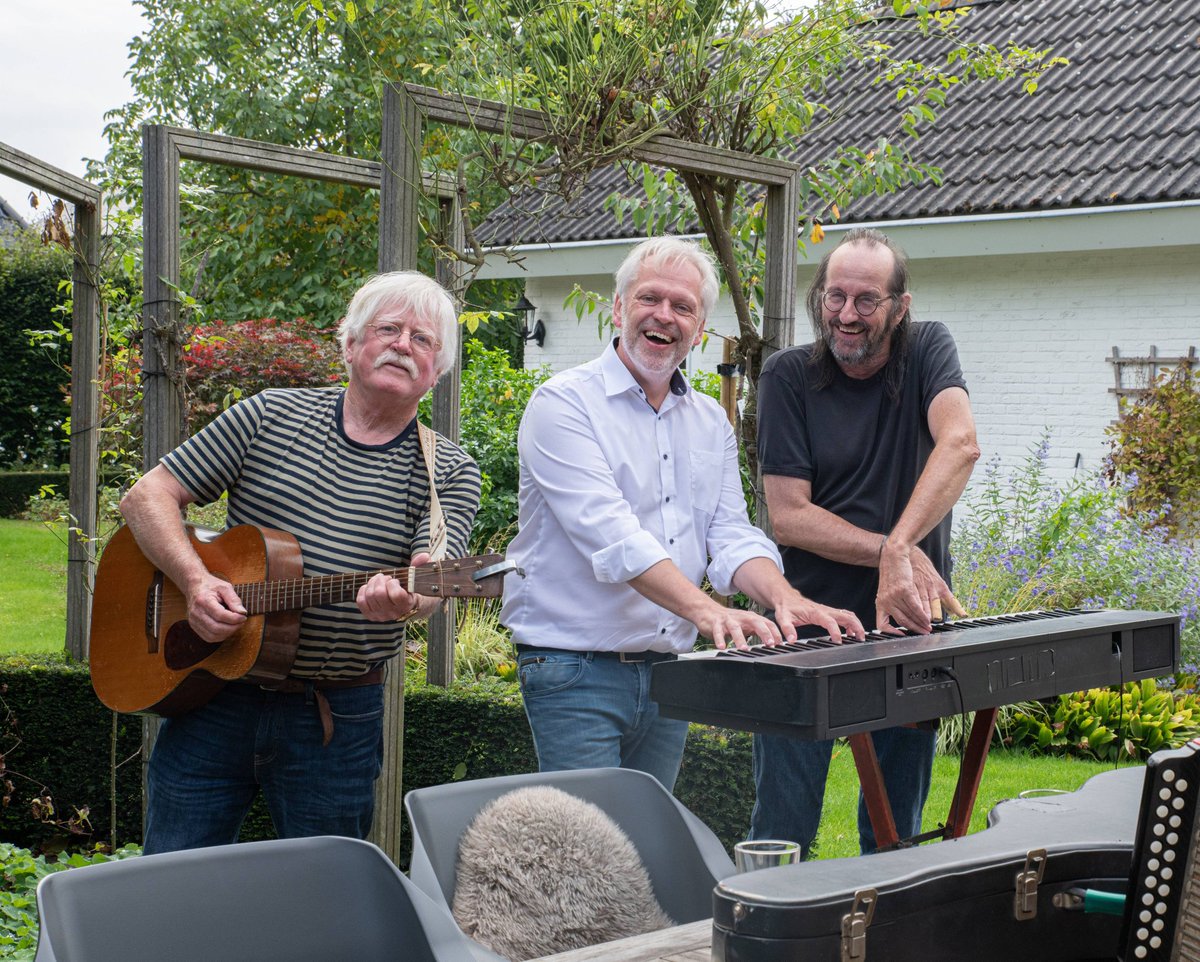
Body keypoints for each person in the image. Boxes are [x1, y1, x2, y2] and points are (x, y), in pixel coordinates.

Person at [119, 271, 481, 853]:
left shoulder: (450, 471)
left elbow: (434, 572)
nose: (402, 346)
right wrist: (196, 580)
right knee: (172, 878)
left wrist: (409, 600)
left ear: (437, 372)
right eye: (388, 329)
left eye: (423, 340)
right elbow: (146, 497)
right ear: (350, 344)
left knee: (324, 888)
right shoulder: (269, 415)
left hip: (335, 716)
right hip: (212, 693)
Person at [500, 236, 864, 792]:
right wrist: (710, 613)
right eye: (649, 298)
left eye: (683, 307)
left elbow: (730, 534)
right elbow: (615, 538)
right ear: (618, 308)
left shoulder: (709, 421)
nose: (664, 316)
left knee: (647, 835)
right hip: (575, 667)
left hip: (668, 670)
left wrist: (784, 597)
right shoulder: (563, 404)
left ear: (699, 329)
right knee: (584, 841)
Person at [750, 227, 981, 857]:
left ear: (900, 307)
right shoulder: (787, 375)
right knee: (782, 832)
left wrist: (898, 550)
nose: (846, 315)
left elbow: (960, 443)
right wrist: (891, 552)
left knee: (895, 835)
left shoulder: (928, 348)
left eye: (866, 300)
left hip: (909, 624)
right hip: (804, 630)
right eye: (835, 296)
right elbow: (789, 517)